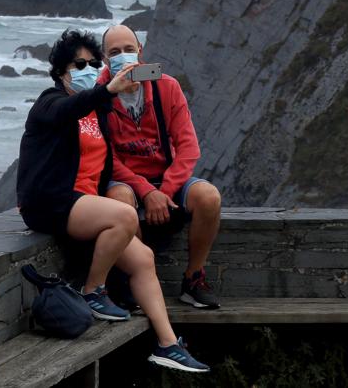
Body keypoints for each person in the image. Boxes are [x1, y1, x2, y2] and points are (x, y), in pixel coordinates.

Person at [18, 29, 209, 373]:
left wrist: (153, 187)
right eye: (80, 64)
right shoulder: (50, 102)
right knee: (125, 216)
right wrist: (105, 89)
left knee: (144, 259)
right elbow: (71, 108)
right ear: (62, 71)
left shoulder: (99, 113)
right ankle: (93, 290)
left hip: (84, 204)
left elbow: (112, 159)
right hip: (51, 202)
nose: (88, 68)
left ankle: (168, 345)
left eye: (93, 63)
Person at [99, 24, 222, 310]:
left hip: (166, 179)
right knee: (119, 201)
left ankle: (193, 279)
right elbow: (106, 158)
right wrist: (145, 191)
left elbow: (189, 147)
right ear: (105, 60)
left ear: (141, 52)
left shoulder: (166, 86)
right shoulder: (100, 94)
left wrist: (164, 191)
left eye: (129, 49)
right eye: (114, 52)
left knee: (209, 197)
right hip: (126, 181)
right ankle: (138, 279)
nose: (123, 56)